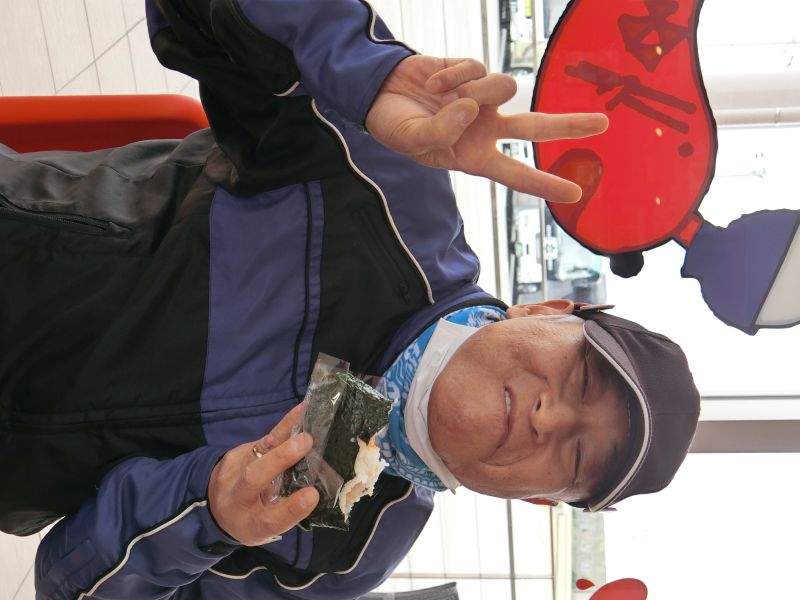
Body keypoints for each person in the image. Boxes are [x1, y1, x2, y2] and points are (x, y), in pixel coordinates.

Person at [0, 1, 700, 598]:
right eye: (581, 379)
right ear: (545, 312)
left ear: (540, 498)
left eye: (576, 458)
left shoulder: (347, 552)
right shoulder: (394, 196)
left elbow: (66, 581)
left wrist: (206, 512)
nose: (550, 418)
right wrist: (363, 75)